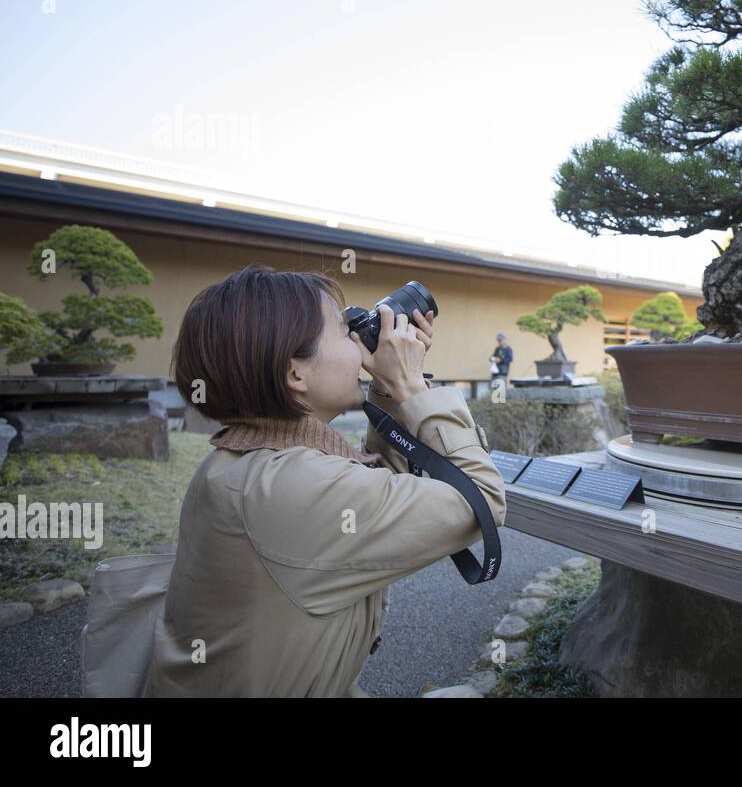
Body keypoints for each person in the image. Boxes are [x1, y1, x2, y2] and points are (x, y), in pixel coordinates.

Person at [143, 265, 506, 697]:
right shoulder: (289, 486)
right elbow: (482, 500)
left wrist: (389, 391)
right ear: (295, 373)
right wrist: (410, 386)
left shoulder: (246, 461)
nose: (360, 340)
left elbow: (379, 494)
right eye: (344, 329)